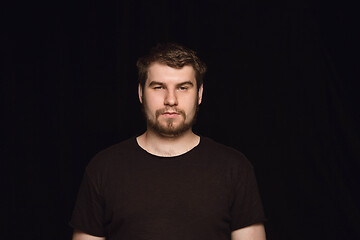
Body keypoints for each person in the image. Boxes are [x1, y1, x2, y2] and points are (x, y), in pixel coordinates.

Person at [70, 43, 267, 240]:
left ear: (199, 94)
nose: (171, 100)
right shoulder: (103, 168)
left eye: (183, 88)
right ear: (141, 93)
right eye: (158, 87)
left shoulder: (234, 168)